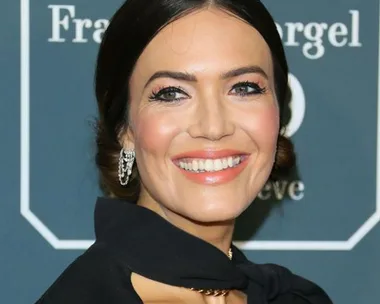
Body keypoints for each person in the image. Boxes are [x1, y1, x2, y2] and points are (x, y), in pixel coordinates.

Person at [35, 0, 333, 303]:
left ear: (279, 113)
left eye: (244, 88)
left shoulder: (291, 296)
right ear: (125, 130)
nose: (214, 127)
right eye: (172, 93)